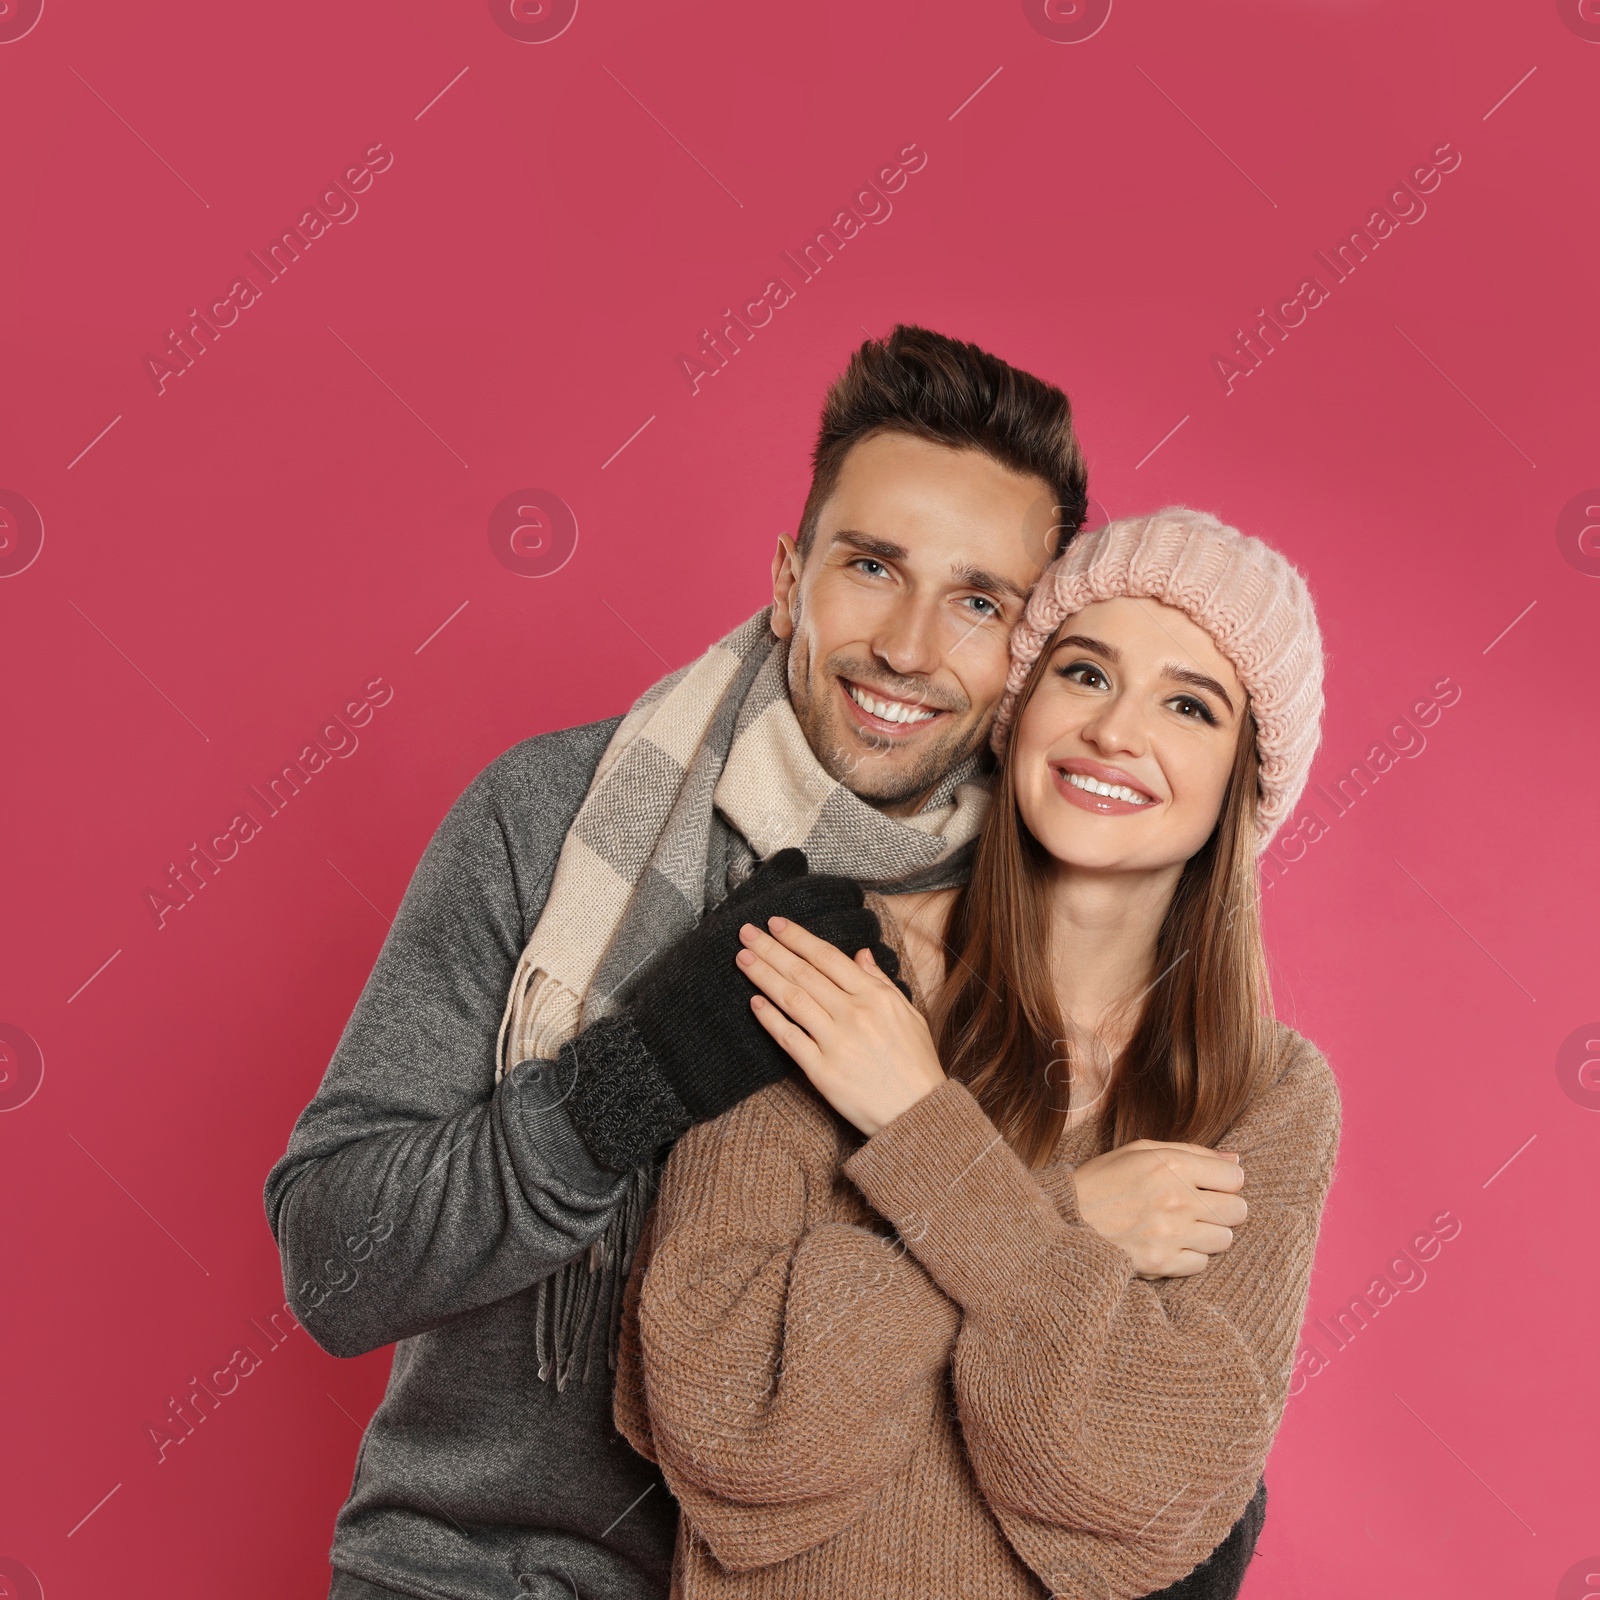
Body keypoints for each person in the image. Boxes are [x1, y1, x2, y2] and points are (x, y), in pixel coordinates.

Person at [264, 325, 1096, 1600]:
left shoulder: (1062, 928)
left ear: (1023, 661)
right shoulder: (546, 818)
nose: (913, 646)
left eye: (980, 602)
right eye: (871, 566)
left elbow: (1088, 1340)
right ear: (787, 581)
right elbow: (333, 1267)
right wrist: (624, 1084)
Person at [616, 507, 1341, 1598]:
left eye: (1189, 704)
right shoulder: (823, 966)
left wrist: (919, 1129)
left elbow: (1144, 1498)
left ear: (1244, 778)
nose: (1113, 731)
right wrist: (1073, 1216)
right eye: (1085, 674)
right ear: (1021, 705)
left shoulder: (1271, 1092)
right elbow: (737, 1430)